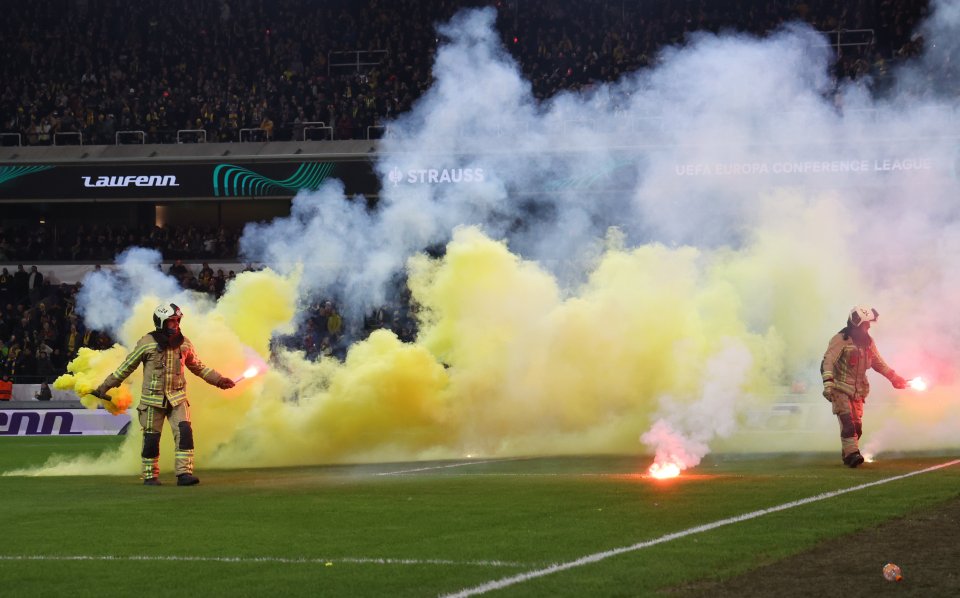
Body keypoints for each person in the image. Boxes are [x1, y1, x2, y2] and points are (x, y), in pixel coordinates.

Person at [93, 303, 235, 486]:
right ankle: (150, 476)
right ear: (160, 322)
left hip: (178, 398)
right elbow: (125, 368)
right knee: (151, 439)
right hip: (152, 401)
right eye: (171, 322)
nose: (175, 325)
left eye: (177, 321)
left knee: (184, 432)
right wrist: (104, 387)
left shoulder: (184, 343)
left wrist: (219, 380)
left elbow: (198, 367)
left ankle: (184, 474)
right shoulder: (146, 342)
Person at [821, 306, 907, 468]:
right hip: (840, 388)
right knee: (847, 423)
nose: (868, 328)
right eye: (865, 325)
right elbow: (828, 361)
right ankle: (853, 455)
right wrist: (828, 384)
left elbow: (878, 363)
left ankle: (848, 454)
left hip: (858, 391)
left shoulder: (868, 343)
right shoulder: (839, 340)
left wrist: (895, 379)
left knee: (857, 428)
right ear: (856, 324)